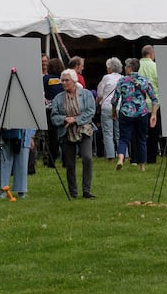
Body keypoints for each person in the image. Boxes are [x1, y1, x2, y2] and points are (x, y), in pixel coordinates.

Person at [50, 68, 96, 198]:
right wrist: (64, 119)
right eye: (62, 80)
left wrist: (75, 119)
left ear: (74, 81)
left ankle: (86, 190)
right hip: (66, 132)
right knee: (70, 163)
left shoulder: (86, 94)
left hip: (84, 129)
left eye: (66, 80)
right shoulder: (58, 98)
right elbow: (53, 117)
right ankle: (73, 192)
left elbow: (90, 111)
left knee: (87, 158)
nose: (63, 83)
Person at [113, 59, 158, 171]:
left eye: (126, 66)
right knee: (141, 139)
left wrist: (113, 111)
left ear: (130, 68)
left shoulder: (122, 81)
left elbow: (115, 99)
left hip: (125, 112)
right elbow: (154, 99)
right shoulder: (145, 80)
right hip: (141, 113)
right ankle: (142, 166)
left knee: (123, 138)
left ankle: (120, 159)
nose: (124, 68)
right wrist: (153, 114)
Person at [96, 58, 124, 161]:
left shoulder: (106, 78)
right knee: (120, 132)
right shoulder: (123, 78)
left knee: (108, 133)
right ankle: (123, 154)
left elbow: (100, 94)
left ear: (109, 68)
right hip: (120, 106)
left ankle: (111, 156)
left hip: (107, 106)